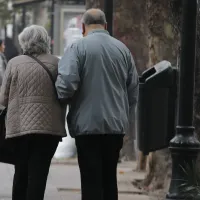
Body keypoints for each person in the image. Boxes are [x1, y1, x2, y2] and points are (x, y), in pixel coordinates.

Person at [56, 8, 139, 200]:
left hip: (87, 127)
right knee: (110, 179)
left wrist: (63, 99)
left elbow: (66, 86)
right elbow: (133, 89)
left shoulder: (78, 49)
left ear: (83, 27)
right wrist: (124, 115)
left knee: (90, 180)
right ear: (106, 26)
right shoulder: (123, 50)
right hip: (114, 127)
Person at [0, 25, 66, 200]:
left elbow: (3, 99)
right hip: (48, 130)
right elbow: (64, 93)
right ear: (45, 41)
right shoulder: (57, 63)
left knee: (21, 172)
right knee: (39, 174)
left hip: (19, 129)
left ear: (24, 42)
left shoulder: (14, 63)